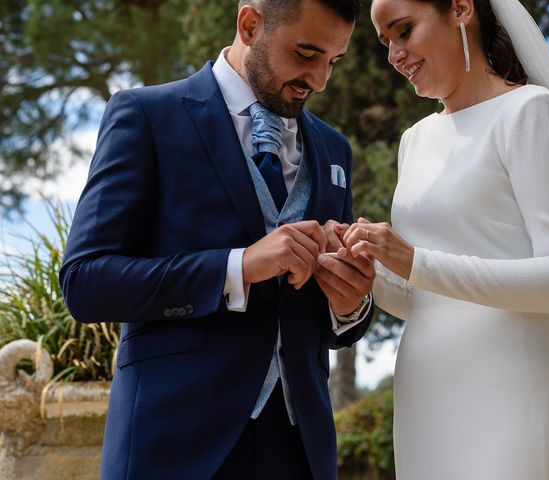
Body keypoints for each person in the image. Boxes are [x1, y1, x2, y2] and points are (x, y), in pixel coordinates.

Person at [58, 0, 375, 478]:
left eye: (333, 61)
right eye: (307, 54)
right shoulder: (147, 116)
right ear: (250, 25)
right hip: (175, 445)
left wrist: (350, 304)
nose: (319, 80)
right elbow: (85, 282)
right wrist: (239, 266)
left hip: (299, 450)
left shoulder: (333, 148)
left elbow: (331, 323)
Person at [337, 0, 549, 478]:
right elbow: (425, 300)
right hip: (427, 393)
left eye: (404, 30)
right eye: (385, 42)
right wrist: (363, 267)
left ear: (460, 8)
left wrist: (413, 259)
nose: (394, 54)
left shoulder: (530, 112)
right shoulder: (414, 141)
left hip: (516, 390)